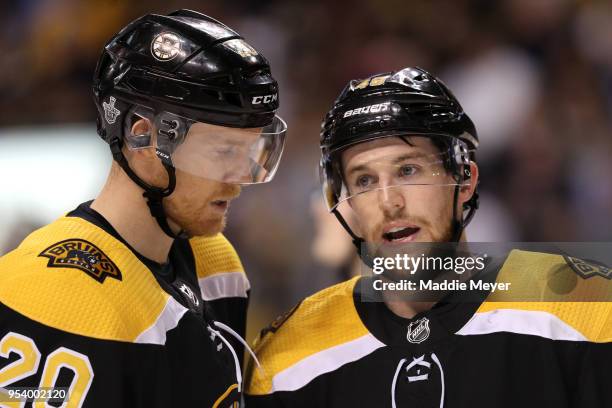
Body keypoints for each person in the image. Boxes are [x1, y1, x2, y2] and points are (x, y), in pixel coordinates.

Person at [244, 67, 611, 407]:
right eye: (365, 180)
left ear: (464, 180)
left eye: (408, 170)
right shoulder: (288, 355)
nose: (389, 202)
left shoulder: (585, 307)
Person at [0, 9, 286, 407]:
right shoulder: (51, 293)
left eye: (249, 152)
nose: (239, 179)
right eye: (223, 151)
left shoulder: (218, 264)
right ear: (144, 136)